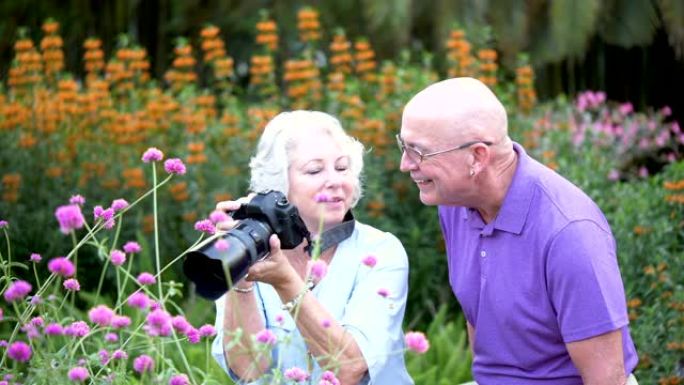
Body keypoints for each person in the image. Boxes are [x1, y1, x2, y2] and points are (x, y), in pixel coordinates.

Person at [397, 77, 638, 385]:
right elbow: (481, 318)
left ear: (477, 157)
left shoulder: (570, 233)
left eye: (419, 152)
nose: (405, 164)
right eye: (403, 145)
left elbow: (607, 378)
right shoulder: (456, 203)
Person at [211, 110, 414, 385]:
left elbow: (350, 368)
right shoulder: (248, 247)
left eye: (342, 168)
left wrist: (285, 282)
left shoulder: (380, 251)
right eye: (315, 170)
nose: (335, 180)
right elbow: (249, 371)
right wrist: (238, 276)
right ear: (278, 185)